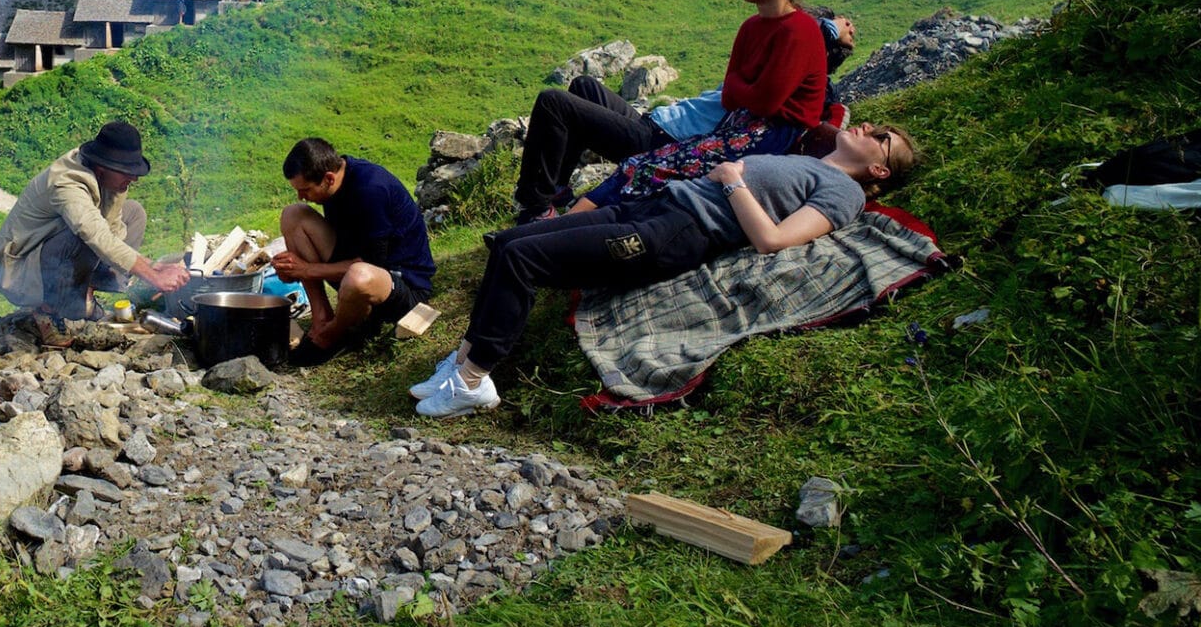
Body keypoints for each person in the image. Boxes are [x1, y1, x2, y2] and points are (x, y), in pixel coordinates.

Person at [414, 122, 919, 418]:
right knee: (508, 243)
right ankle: (461, 362)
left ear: (879, 170)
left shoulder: (845, 193)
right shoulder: (815, 163)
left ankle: (476, 381)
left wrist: (731, 182)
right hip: (654, 209)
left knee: (525, 260)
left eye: (881, 139)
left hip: (676, 233)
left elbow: (773, 240)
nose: (868, 129)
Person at [510, 0, 829, 223]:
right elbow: (732, 95)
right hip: (685, 123)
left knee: (554, 103)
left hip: (747, 136)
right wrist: (748, 89)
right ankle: (556, 193)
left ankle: (535, 209)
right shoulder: (752, 27)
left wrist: (745, 89)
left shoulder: (798, 29)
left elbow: (764, 102)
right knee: (582, 86)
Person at [0, 120, 190, 343]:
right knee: (81, 237)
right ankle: (49, 309)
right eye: (127, 172)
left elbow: (114, 232)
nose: (134, 178)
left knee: (134, 213)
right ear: (102, 169)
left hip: (57, 251)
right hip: (19, 269)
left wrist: (153, 266)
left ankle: (84, 292)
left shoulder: (111, 180)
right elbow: (94, 234)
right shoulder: (67, 183)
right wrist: (153, 277)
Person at [273, 138, 436, 365]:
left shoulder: (371, 189)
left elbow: (372, 265)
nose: (302, 196)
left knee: (358, 276)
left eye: (306, 189)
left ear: (329, 178)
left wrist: (308, 270)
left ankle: (334, 334)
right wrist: (293, 268)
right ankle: (322, 319)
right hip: (357, 267)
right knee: (293, 214)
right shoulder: (336, 181)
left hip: (401, 285)